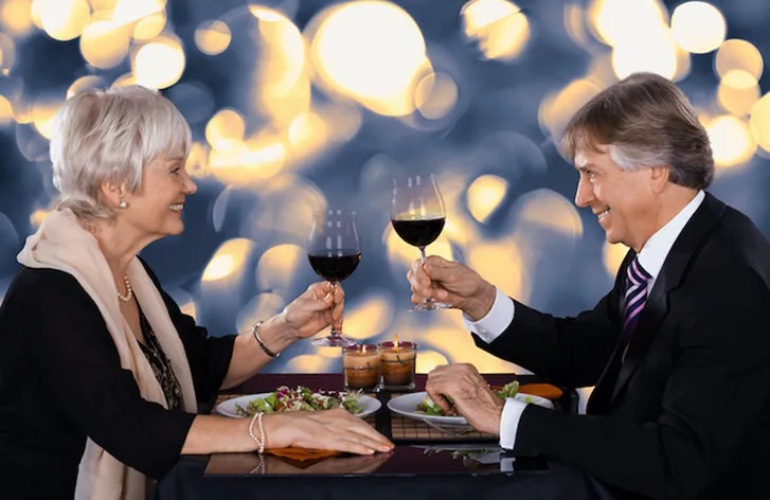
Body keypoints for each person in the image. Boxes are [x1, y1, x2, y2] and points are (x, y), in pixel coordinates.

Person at [0, 86, 393, 500]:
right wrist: (274, 428)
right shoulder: (52, 293)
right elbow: (132, 427)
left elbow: (197, 367)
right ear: (116, 186)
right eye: (173, 170)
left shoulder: (125, 270)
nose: (189, 185)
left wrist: (286, 328)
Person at [408, 72, 770, 500]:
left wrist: (507, 418)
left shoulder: (728, 281)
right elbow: (582, 353)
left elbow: (680, 462)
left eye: (592, 174)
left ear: (655, 169)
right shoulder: (669, 246)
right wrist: (482, 301)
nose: (581, 197)